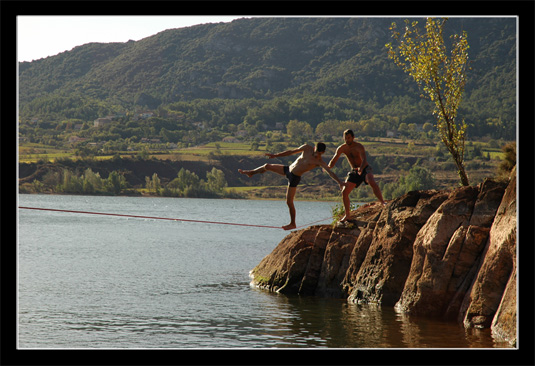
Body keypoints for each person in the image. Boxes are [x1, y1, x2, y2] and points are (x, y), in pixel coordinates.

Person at [239, 142, 344, 230]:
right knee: (267, 166)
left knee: (289, 201)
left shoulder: (319, 162)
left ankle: (292, 223)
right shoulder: (306, 148)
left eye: (319, 154)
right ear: (314, 148)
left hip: (294, 177)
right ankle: (251, 172)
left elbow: (330, 172)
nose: (316, 155)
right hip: (288, 169)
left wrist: (339, 182)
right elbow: (291, 152)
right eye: (316, 152)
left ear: (323, 153)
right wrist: (276, 155)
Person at [328, 129, 386, 224]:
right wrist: (328, 166)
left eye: (349, 138)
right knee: (344, 191)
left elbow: (364, 159)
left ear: (353, 137)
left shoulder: (359, 146)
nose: (347, 140)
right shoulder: (342, 148)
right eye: (345, 138)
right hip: (354, 171)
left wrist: (361, 168)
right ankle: (347, 215)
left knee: (371, 180)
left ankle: (383, 202)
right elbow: (333, 160)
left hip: (364, 168)